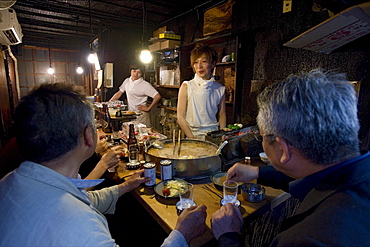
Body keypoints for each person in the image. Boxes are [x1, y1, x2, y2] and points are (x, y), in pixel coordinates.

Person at [0, 82, 206, 246]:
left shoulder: (10, 181)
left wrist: (124, 187)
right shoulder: (80, 225)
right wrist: (181, 235)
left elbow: (80, 196)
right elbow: (72, 209)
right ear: (88, 136)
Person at [211, 69, 370, 246]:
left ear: (282, 148)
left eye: (261, 136)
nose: (261, 140)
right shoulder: (355, 173)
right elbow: (308, 172)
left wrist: (229, 236)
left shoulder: (307, 239)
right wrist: (257, 172)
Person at [177, 43, 227, 140]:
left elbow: (222, 114)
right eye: (196, 62)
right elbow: (180, 116)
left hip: (213, 134)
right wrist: (190, 137)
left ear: (213, 64)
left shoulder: (219, 88)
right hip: (193, 134)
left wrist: (222, 134)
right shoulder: (187, 86)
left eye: (204, 61)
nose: (199, 66)